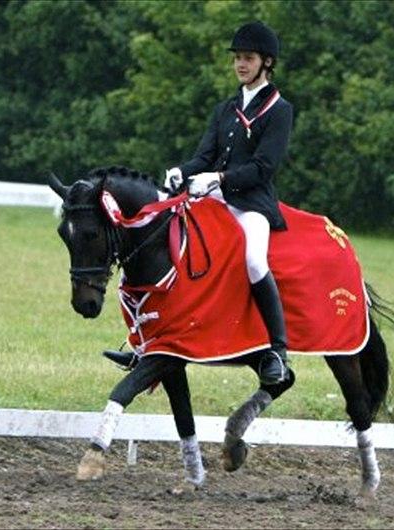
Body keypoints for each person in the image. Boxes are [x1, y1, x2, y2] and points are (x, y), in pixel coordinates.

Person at [165, 21, 293, 385]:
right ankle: (154, 340)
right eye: (238, 58)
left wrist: (220, 179)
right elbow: (204, 157)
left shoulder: (279, 110)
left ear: (266, 62)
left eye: (248, 58)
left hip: (252, 203)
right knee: (174, 243)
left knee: (253, 259)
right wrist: (181, 171)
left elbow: (264, 166)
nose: (240, 64)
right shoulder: (226, 108)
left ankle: (277, 351)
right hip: (214, 198)